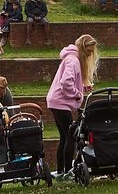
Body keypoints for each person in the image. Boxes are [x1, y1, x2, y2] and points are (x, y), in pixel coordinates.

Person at [46, 35, 99, 173]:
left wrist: (83, 88)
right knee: (71, 136)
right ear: (83, 48)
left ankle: (60, 170)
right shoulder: (73, 60)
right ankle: (68, 169)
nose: (89, 54)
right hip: (60, 102)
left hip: (56, 101)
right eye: (88, 51)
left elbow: (70, 81)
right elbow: (66, 82)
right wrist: (77, 94)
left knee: (64, 136)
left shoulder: (71, 59)